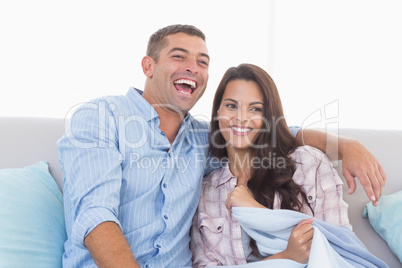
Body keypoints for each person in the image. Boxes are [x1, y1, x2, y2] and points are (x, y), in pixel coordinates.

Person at [57, 25, 385, 267]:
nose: (193, 68)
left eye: (202, 62)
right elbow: (95, 213)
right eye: (179, 56)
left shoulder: (205, 140)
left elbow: (272, 132)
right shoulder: (102, 117)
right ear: (148, 66)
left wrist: (343, 145)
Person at [190, 63, 355, 266]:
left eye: (255, 109)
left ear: (269, 117)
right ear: (217, 112)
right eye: (231, 106)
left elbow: (342, 248)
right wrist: (285, 258)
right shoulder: (206, 192)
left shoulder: (309, 164)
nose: (241, 118)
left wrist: (254, 209)